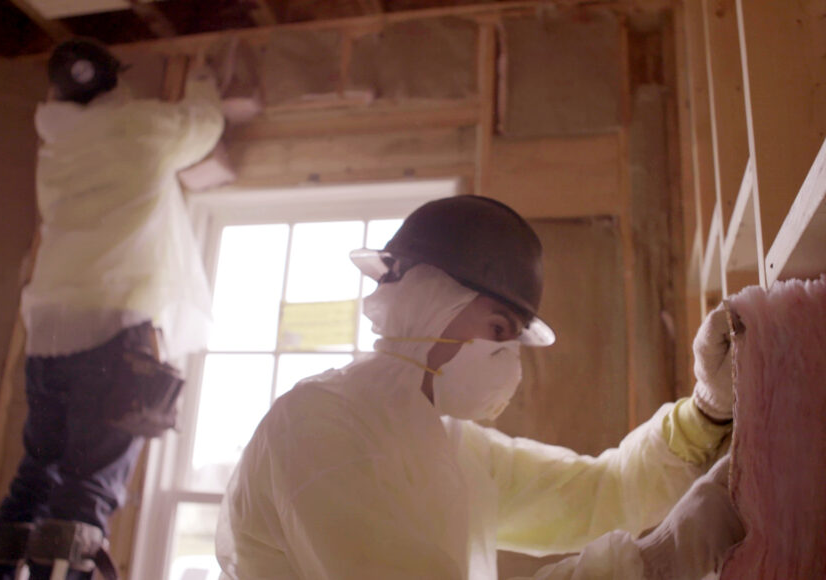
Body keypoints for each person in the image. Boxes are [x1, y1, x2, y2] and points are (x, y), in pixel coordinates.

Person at [216, 195, 742, 579]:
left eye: (513, 339)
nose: (507, 360)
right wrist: (656, 561)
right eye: (497, 330)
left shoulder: (447, 446)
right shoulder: (318, 427)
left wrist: (706, 412)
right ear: (427, 295)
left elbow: (601, 494)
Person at [0, 38, 225, 580]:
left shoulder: (55, 142)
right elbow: (204, 126)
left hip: (46, 330)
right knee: (87, 485)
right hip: (111, 329)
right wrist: (203, 77)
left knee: (37, 474)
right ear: (116, 81)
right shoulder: (140, 128)